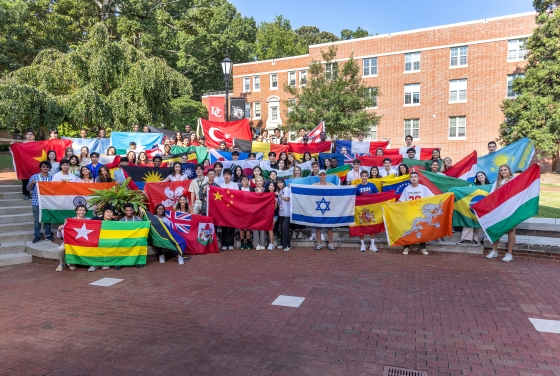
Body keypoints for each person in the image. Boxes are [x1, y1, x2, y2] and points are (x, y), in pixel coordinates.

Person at [398, 172, 434, 255]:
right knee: (408, 229)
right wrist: (390, 205)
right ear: (410, 179)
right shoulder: (407, 189)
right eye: (412, 177)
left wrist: (445, 196)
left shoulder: (424, 188)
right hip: (410, 212)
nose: (413, 178)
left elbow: (433, 197)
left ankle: (422, 247)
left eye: (415, 177)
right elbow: (401, 201)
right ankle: (406, 246)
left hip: (421, 212)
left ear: (418, 178)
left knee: (422, 229)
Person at [486, 165, 516, 262]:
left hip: (511, 209)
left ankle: (509, 254)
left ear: (509, 170)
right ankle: (494, 251)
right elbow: (491, 196)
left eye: (505, 170)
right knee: (496, 229)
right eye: (501, 170)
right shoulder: (497, 183)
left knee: (511, 231)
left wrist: (536, 167)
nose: (503, 172)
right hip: (499, 210)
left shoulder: (514, 179)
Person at [457, 171, 491, 246]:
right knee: (469, 220)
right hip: (474, 206)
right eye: (478, 176)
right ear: (477, 178)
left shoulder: (491, 186)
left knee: (480, 223)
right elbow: (467, 192)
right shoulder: (473, 185)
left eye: (481, 175)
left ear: (485, 176)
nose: (480, 177)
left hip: (485, 208)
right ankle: (465, 238)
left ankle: (477, 239)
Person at [56, 204, 88, 272]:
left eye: (83, 210)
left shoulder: (89, 220)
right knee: (60, 249)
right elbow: (59, 236)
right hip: (69, 242)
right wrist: (59, 230)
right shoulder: (69, 221)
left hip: (83, 242)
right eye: (79, 210)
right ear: (76, 211)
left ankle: (73, 263)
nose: (81, 212)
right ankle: (62, 264)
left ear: (85, 212)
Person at [28, 161, 53, 243]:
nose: (45, 168)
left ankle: (48, 234)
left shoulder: (52, 178)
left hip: (48, 202)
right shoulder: (34, 177)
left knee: (47, 219)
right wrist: (32, 183)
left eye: (47, 167)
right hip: (36, 202)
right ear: (41, 167)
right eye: (43, 167)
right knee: (37, 219)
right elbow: (28, 188)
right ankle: (37, 235)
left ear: (49, 168)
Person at [356, 170, 380, 252]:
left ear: (367, 176)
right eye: (363, 176)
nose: (364, 177)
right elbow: (356, 199)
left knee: (371, 226)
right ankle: (362, 245)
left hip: (371, 209)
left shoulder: (372, 185)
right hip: (361, 210)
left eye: (366, 175)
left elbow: (378, 195)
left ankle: (372, 245)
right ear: (361, 177)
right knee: (361, 226)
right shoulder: (358, 187)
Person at [117, 203, 146, 269]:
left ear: (133, 211)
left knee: (140, 241)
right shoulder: (121, 221)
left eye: (130, 210)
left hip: (135, 238)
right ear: (124, 211)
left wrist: (148, 223)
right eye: (127, 210)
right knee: (118, 243)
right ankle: (119, 263)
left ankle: (139, 262)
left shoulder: (138, 219)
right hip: (125, 238)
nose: (129, 212)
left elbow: (143, 228)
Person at [313, 170, 336, 251]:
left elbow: (340, 190)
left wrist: (353, 187)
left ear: (326, 175)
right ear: (319, 176)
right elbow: (305, 190)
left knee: (329, 228)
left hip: (328, 209)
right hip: (318, 210)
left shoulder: (331, 185)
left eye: (324, 175)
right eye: (321, 175)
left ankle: (330, 243)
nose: (322, 176)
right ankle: (319, 244)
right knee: (318, 227)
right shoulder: (314, 185)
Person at [219, 169, 239, 250]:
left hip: (232, 208)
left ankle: (231, 243)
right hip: (223, 208)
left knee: (231, 225)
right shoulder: (220, 185)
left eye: (228, 175)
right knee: (224, 225)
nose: (227, 176)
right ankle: (224, 244)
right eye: (225, 175)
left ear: (231, 176)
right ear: (223, 176)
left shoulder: (235, 185)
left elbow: (237, 196)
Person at [18, 130, 36, 199]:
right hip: (25, 164)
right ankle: (26, 194)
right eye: (28, 134)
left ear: (34, 136)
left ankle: (36, 193)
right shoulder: (22, 145)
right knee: (25, 179)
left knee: (36, 179)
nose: (30, 135)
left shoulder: (37, 145)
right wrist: (13, 145)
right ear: (26, 136)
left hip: (35, 165)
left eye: (31, 134)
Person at [252, 176, 267, 250]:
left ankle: (262, 243)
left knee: (262, 227)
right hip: (255, 211)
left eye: (260, 181)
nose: (259, 182)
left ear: (263, 182)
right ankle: (256, 244)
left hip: (263, 211)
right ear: (255, 182)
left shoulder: (265, 190)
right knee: (255, 227)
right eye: (258, 181)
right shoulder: (252, 190)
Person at [238, 175, 253, 249]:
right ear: (241, 181)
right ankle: (242, 242)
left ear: (248, 181)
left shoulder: (251, 189)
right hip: (240, 210)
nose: (244, 181)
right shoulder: (238, 189)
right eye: (243, 179)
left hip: (249, 210)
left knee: (248, 227)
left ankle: (248, 242)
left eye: (246, 179)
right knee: (241, 227)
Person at [276, 179, 291, 251]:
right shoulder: (278, 191)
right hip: (281, 213)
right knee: (282, 229)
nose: (279, 184)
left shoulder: (286, 189)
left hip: (287, 213)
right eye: (278, 183)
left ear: (283, 183)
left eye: (281, 183)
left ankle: (287, 245)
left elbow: (288, 199)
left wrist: (280, 195)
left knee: (285, 228)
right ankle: (282, 243)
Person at [265, 181, 278, 250]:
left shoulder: (276, 195)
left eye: (273, 186)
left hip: (274, 215)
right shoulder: (265, 194)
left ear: (274, 187)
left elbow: (275, 208)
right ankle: (271, 240)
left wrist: (275, 202)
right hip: (266, 214)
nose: (271, 187)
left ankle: (271, 244)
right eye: (270, 185)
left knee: (270, 228)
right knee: (268, 229)